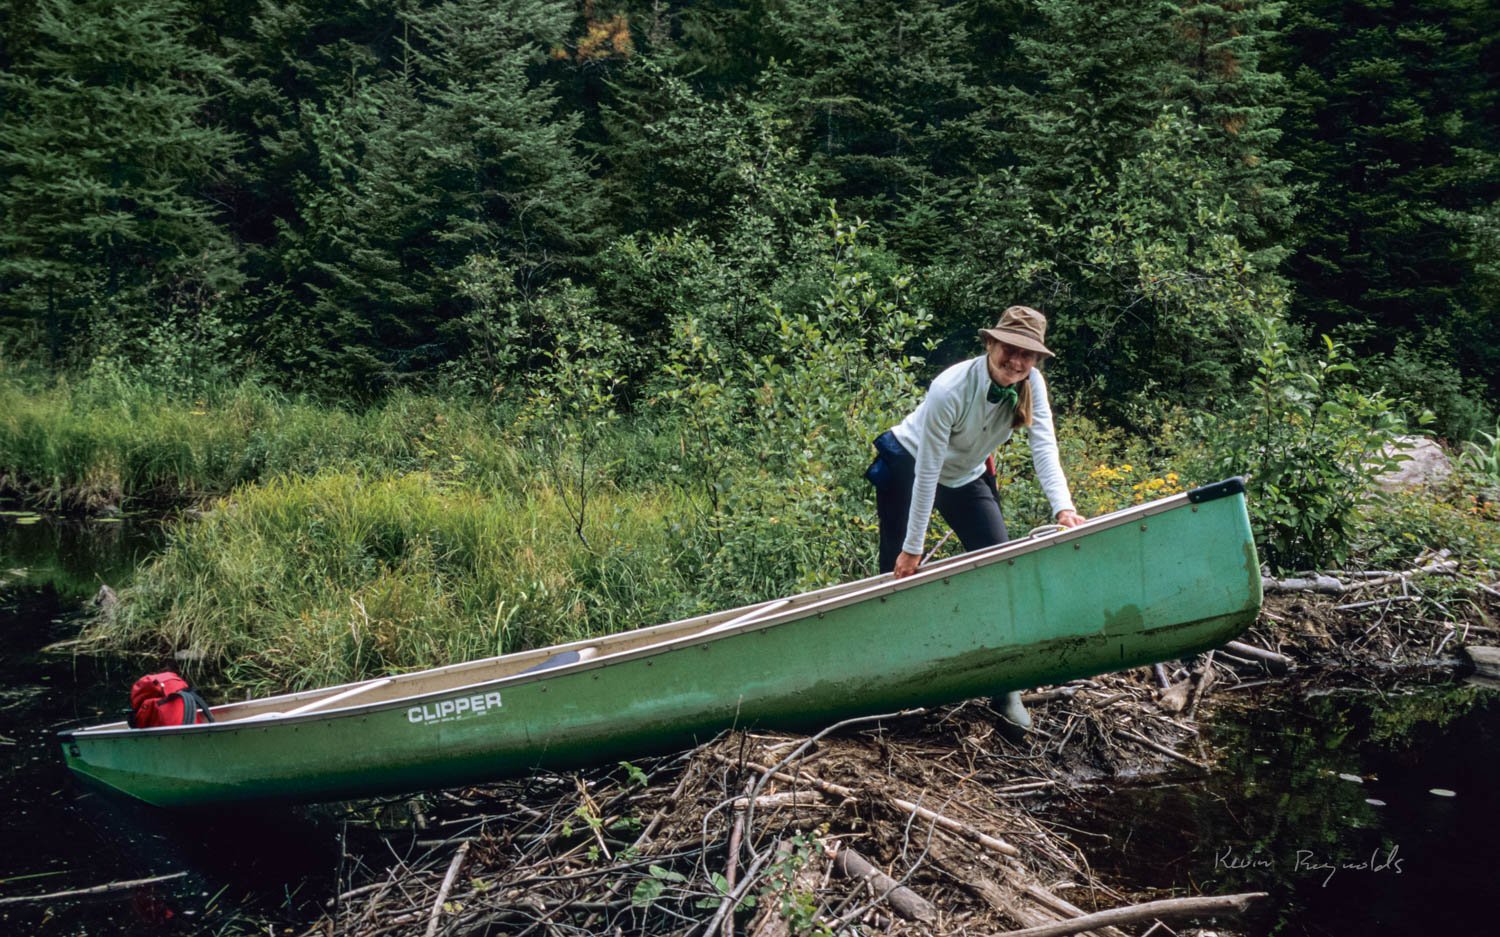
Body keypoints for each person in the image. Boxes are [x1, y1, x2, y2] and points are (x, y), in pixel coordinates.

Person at [864, 305, 1084, 731]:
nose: (1017, 362)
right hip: (911, 463)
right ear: (990, 344)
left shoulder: (1031, 383)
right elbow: (927, 471)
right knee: (895, 579)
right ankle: (889, 682)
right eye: (1010, 349)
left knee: (999, 567)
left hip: (965, 474)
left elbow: (1044, 448)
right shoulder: (949, 388)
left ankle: (1005, 689)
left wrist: (1064, 508)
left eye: (1028, 355)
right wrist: (913, 550)